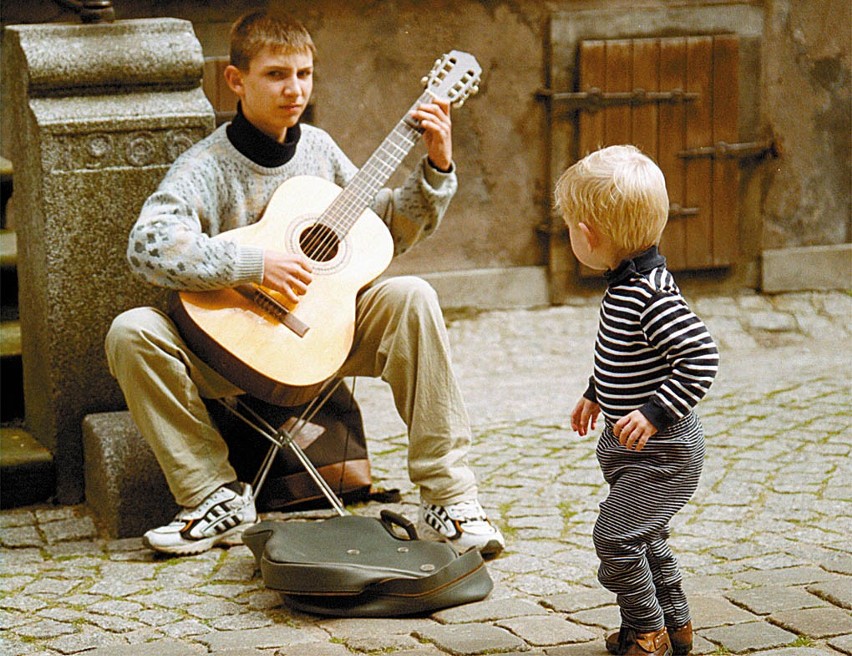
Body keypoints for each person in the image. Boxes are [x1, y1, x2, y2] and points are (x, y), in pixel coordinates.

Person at [105, 10, 504, 559]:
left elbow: (382, 229)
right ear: (235, 79)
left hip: (320, 341)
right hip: (229, 352)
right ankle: (212, 494)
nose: (294, 89)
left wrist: (436, 167)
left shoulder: (318, 150)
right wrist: (251, 263)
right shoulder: (204, 166)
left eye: (304, 73)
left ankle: (448, 498)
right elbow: (148, 246)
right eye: (276, 74)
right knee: (132, 330)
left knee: (413, 294)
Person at [554, 145, 719, 656]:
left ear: (588, 235)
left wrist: (653, 413)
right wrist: (595, 393)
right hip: (640, 454)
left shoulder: (650, 294)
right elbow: (628, 354)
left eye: (569, 228)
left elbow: (701, 358)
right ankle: (677, 627)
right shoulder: (627, 287)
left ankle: (646, 632)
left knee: (616, 539)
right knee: (647, 538)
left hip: (664, 453)